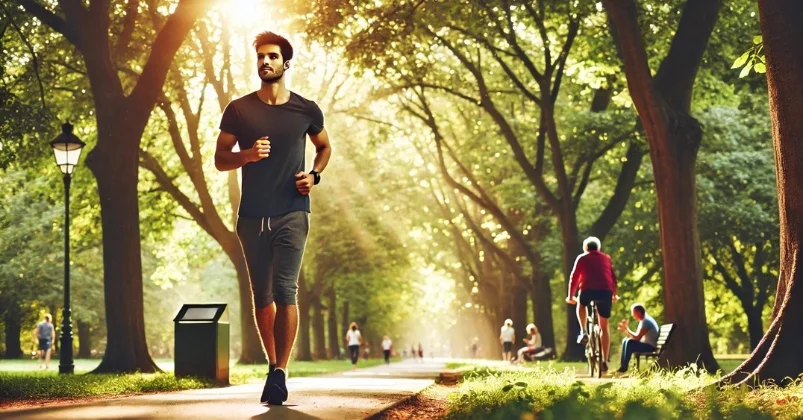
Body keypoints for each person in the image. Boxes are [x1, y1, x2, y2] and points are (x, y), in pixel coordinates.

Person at [214, 31, 333, 406]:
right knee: (262, 297)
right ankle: (273, 364)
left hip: (292, 214)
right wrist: (245, 155)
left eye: (272, 57)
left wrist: (314, 175)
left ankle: (280, 372)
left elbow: (324, 147)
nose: (265, 62)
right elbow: (219, 159)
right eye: (261, 57)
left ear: (286, 63)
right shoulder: (239, 109)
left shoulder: (305, 109)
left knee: (286, 291)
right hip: (251, 216)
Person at [565, 236, 619, 373]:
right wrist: (614, 294)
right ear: (599, 248)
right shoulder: (606, 258)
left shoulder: (582, 258)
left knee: (581, 304)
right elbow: (613, 277)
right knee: (604, 327)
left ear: (585, 248)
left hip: (587, 290)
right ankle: (605, 360)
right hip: (605, 292)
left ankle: (583, 331)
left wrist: (571, 296)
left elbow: (574, 277)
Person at [616, 303, 659, 374]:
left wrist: (627, 329)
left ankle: (624, 367)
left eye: (634, 313)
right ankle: (623, 366)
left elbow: (637, 338)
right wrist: (626, 330)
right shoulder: (644, 320)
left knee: (629, 342)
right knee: (625, 340)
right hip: (646, 345)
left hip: (650, 347)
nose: (633, 315)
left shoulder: (646, 321)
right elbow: (636, 337)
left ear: (638, 312)